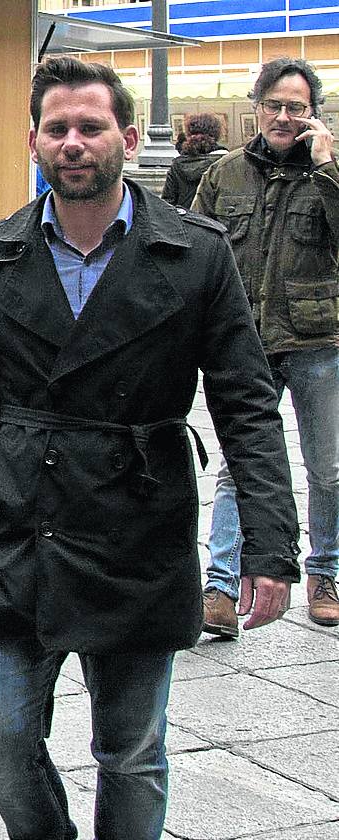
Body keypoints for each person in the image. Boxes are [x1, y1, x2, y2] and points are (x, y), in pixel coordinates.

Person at [0, 57, 299, 840]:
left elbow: (245, 405)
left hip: (136, 523)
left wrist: (271, 545)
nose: (73, 142)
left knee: (130, 752)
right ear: (31, 140)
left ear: (127, 138)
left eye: (90, 127)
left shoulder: (195, 252)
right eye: (57, 128)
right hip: (16, 525)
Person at [192, 58, 339, 637]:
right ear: (256, 107)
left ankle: (324, 572)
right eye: (274, 104)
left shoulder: (330, 172)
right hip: (246, 342)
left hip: (318, 340)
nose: (284, 116)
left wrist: (327, 168)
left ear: (313, 114)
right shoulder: (224, 174)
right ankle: (220, 588)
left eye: (296, 107)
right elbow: (195, 249)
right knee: (237, 466)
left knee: (327, 470)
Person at [161, 113, 227, 210]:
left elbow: (168, 201)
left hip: (184, 220)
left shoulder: (178, 164)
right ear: (216, 134)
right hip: (213, 222)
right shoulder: (224, 162)